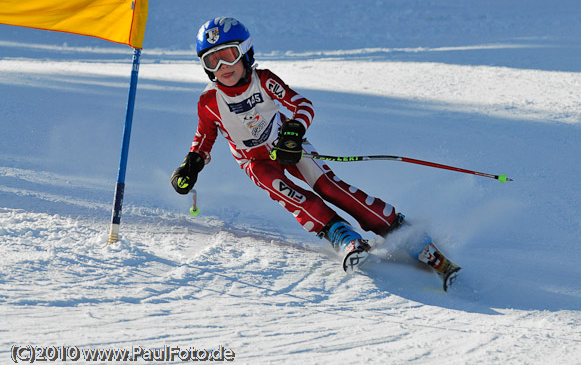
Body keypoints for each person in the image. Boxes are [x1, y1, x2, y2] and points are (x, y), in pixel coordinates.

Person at [171, 17, 459, 287]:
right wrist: (191, 164)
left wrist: (294, 132)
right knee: (293, 197)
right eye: (213, 59)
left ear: (245, 53)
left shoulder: (265, 80)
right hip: (254, 162)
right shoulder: (209, 100)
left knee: (330, 187)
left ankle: (399, 230)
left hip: (285, 145)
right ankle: (340, 234)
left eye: (229, 55)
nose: (223, 65)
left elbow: (302, 105)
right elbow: (205, 135)